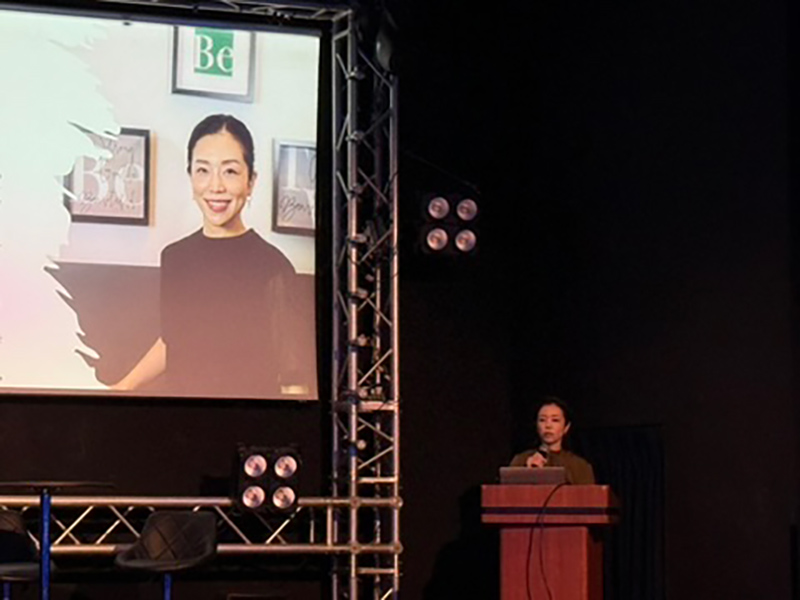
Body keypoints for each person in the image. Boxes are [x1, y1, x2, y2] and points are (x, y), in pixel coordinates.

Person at [112, 114, 302, 398]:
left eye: (230, 171)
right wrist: (124, 386)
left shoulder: (273, 266)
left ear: (251, 181)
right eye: (203, 170)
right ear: (190, 176)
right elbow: (172, 341)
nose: (216, 186)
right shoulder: (174, 257)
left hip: (246, 419)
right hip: (181, 412)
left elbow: (292, 375)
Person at [510, 397, 595, 484]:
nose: (548, 425)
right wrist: (527, 472)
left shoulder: (579, 466)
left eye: (555, 420)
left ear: (566, 427)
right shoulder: (521, 460)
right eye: (542, 420)